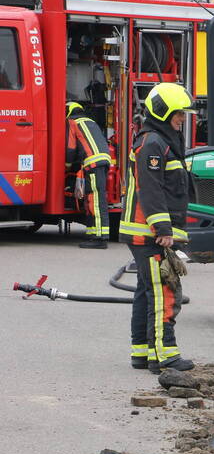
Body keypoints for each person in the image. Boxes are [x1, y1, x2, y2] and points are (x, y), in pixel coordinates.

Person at [118, 83, 195, 373]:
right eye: (178, 113)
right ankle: (166, 356)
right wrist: (163, 228)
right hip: (149, 234)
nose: (182, 118)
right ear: (163, 112)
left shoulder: (159, 140)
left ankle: (143, 353)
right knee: (165, 292)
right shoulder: (153, 143)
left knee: (146, 291)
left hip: (144, 232)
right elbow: (151, 190)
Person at [66, 102, 113, 249]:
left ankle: (100, 238)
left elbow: (71, 148)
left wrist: (66, 167)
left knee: (96, 200)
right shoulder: (90, 121)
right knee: (92, 198)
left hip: (92, 162)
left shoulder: (72, 122)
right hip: (103, 161)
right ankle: (93, 233)